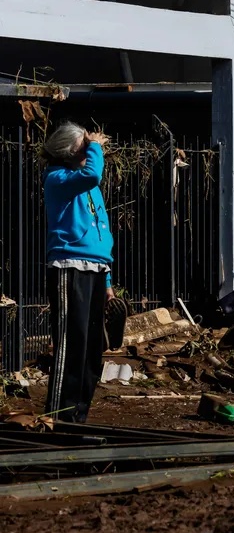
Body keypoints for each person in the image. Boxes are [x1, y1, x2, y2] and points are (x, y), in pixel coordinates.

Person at [41, 122, 116, 423]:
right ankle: (59, 417)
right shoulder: (57, 178)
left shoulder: (87, 185)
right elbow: (93, 173)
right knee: (72, 345)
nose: (90, 149)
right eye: (83, 145)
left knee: (91, 351)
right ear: (69, 150)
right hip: (69, 266)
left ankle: (78, 417)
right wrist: (95, 145)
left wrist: (107, 280)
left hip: (96, 267)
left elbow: (101, 231)